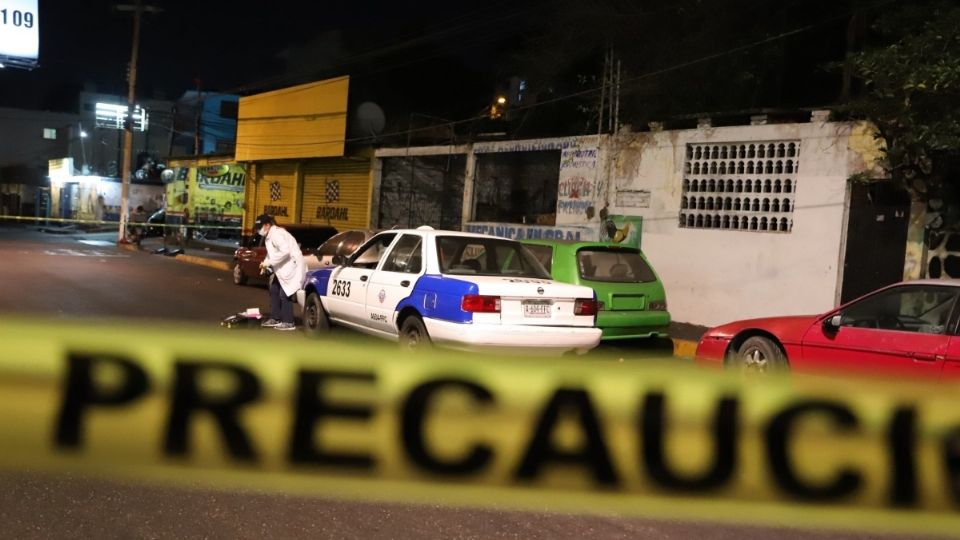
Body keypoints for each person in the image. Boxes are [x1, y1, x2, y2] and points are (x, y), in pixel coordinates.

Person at [255, 214, 305, 331]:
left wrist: (270, 262)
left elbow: (285, 251)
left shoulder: (277, 234)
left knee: (284, 293)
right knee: (274, 289)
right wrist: (265, 263)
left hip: (292, 268)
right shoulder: (269, 236)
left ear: (267, 225)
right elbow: (271, 254)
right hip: (283, 268)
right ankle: (275, 318)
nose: (258, 230)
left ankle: (288, 322)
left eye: (260, 227)